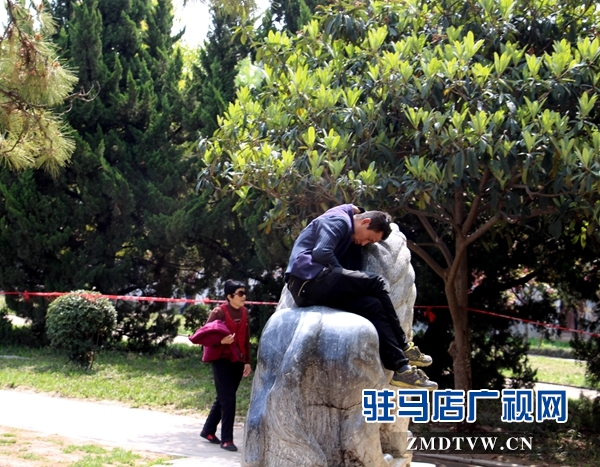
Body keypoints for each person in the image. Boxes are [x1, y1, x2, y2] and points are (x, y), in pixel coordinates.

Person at [285, 204, 438, 390]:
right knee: (376, 282)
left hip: (318, 288)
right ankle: (405, 346)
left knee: (373, 305)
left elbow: (355, 212)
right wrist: (345, 276)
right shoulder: (338, 220)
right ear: (365, 222)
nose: (365, 243)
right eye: (369, 238)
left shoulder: (350, 227)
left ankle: (402, 368)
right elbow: (321, 252)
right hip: (306, 281)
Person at [200, 279, 252, 451]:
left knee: (224, 397)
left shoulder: (245, 312)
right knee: (228, 400)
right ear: (229, 296)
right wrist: (221, 341)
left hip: (238, 361)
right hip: (221, 360)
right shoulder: (218, 312)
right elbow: (204, 335)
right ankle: (227, 440)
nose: (244, 296)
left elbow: (246, 339)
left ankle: (208, 430)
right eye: (240, 293)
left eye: (245, 293)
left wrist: (247, 361)